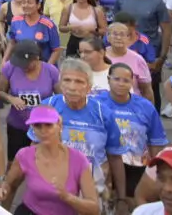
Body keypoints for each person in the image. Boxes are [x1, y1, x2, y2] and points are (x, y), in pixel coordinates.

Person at [41, 58, 126, 201]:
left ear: (89, 87)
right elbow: (34, 149)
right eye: (67, 80)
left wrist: (122, 198)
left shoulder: (103, 113)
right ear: (60, 84)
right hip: (53, 189)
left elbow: (115, 157)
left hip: (94, 191)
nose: (72, 87)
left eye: (79, 82)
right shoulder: (47, 107)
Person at [0, 105, 100, 215]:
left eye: (49, 125)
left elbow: (94, 209)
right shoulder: (24, 155)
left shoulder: (78, 159)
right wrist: (3, 190)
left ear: (59, 125)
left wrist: (68, 197)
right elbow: (10, 185)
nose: (43, 131)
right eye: (37, 126)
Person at [97, 62, 168, 210]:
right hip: (106, 163)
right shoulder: (96, 103)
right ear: (108, 79)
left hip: (136, 165)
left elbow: (156, 141)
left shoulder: (145, 106)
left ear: (132, 82)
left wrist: (156, 171)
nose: (121, 84)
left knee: (130, 205)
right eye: (116, 79)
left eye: (126, 80)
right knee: (107, 203)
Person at [0, 38, 59, 164]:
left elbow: (61, 98)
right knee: (14, 162)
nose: (22, 67)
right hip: (17, 125)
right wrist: (11, 98)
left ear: (36, 58)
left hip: (43, 128)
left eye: (26, 64)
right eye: (19, 63)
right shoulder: (10, 68)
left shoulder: (51, 71)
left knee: (41, 164)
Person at [4, 0, 62, 65]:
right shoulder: (16, 21)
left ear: (38, 5)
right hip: (22, 66)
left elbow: (56, 50)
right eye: (23, 2)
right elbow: (12, 42)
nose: (26, 5)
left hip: (43, 66)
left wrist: (47, 68)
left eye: (29, 3)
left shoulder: (48, 24)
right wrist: (4, 60)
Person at [105, 22, 154, 102]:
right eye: (114, 34)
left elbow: (146, 90)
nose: (118, 37)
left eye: (122, 34)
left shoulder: (137, 59)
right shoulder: (100, 55)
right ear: (108, 37)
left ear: (128, 38)